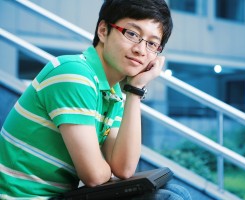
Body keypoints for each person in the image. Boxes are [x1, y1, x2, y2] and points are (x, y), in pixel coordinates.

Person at [0, 0, 192, 199]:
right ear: (103, 30)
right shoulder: (74, 73)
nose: (141, 50)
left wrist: (135, 90)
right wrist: (104, 170)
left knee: (176, 191)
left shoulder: (113, 91)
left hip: (58, 195)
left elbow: (124, 169)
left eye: (152, 43)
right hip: (22, 197)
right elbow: (94, 176)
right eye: (132, 34)